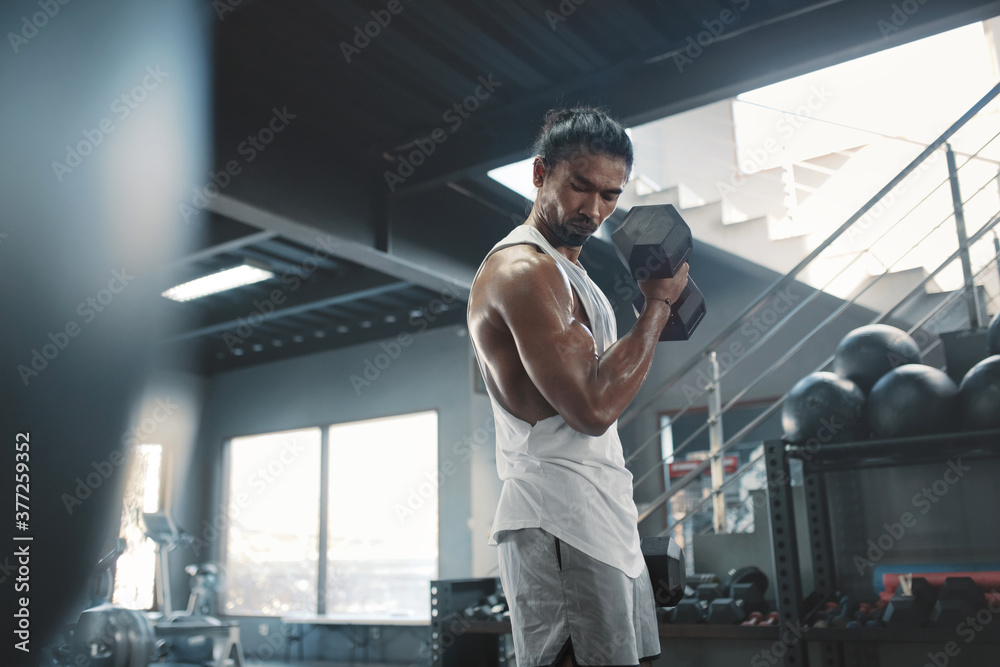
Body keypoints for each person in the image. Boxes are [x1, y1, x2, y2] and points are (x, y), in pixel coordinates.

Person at [467, 107, 690, 667]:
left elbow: (596, 380)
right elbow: (592, 409)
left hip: (603, 513)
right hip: (557, 518)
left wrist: (651, 311)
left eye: (611, 195)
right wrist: (658, 305)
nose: (594, 209)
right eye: (580, 187)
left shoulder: (572, 274)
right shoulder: (523, 272)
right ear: (541, 173)